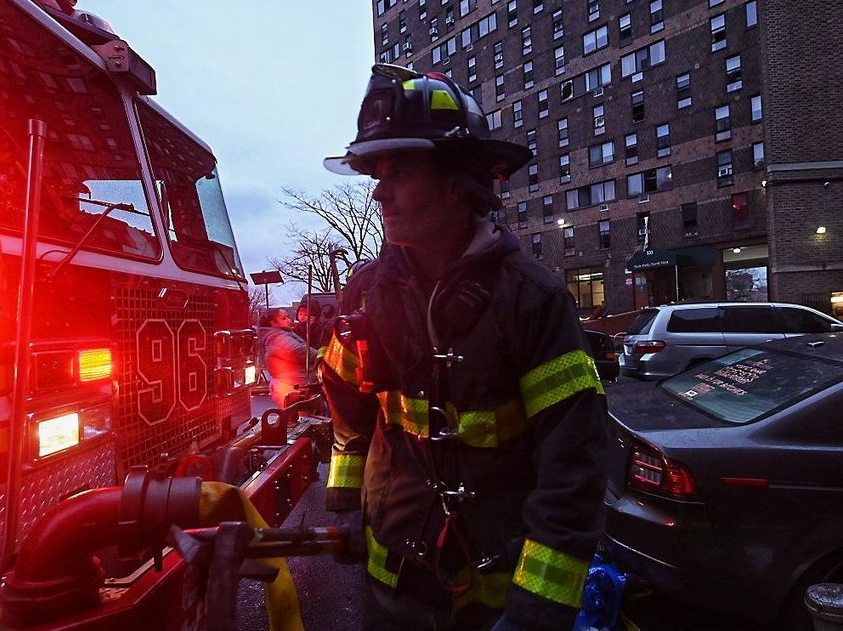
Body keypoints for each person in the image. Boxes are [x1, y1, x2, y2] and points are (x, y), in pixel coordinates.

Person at [320, 64, 607, 630]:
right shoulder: (365, 293)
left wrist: (539, 610)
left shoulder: (531, 299)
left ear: (458, 180)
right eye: (376, 172)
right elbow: (344, 404)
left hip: (499, 592)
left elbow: (573, 463)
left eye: (398, 170)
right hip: (394, 581)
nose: (380, 191)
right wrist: (343, 505)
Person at [257, 308, 318, 409]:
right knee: (301, 419)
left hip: (294, 382)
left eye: (288, 317)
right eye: (284, 318)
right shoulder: (275, 337)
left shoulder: (283, 333)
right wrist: (322, 356)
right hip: (292, 385)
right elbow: (297, 351)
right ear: (273, 323)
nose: (289, 320)